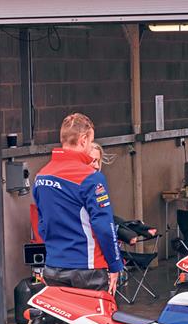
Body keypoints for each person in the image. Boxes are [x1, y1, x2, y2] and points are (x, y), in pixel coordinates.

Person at [33, 113, 123, 294]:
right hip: (88, 269)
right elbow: (104, 226)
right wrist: (115, 264)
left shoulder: (41, 176)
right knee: (95, 322)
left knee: (61, 322)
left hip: (53, 267)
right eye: (90, 142)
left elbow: (41, 225)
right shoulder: (91, 178)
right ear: (83, 140)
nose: (90, 146)